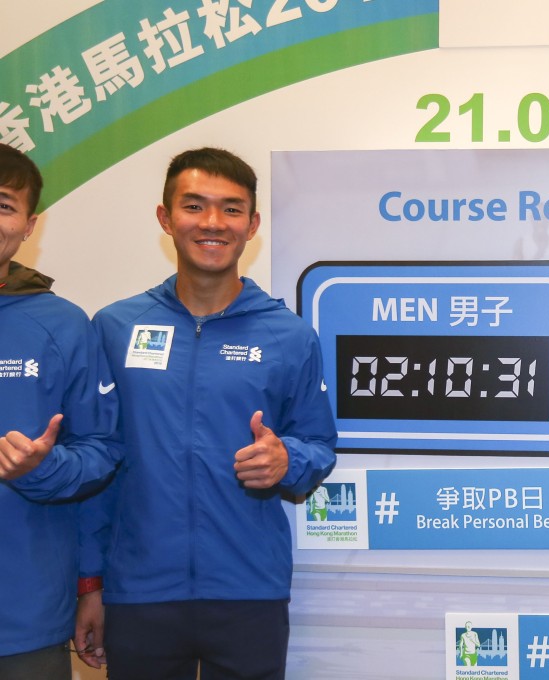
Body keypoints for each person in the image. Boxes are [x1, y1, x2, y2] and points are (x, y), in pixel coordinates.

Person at [76, 147, 337, 679]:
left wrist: (287, 459)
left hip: (249, 591)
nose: (213, 223)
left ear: (253, 224)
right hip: (139, 591)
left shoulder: (289, 335)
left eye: (231, 209)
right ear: (165, 217)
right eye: (194, 206)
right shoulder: (115, 327)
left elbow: (319, 445)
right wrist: (90, 585)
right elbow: (96, 463)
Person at [0, 143, 119, 679]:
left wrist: (41, 469)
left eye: (3, 205)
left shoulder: (64, 325)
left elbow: (103, 452)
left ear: (30, 224)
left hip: (25, 616)